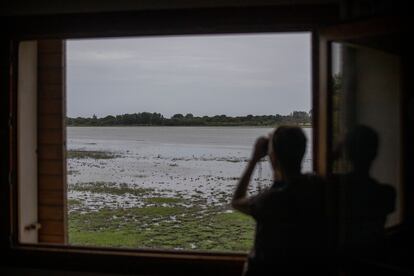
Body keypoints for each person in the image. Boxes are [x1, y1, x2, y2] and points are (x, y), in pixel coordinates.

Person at [232, 126, 328, 275]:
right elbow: (291, 179)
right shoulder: (315, 186)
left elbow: (237, 201)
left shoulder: (270, 200)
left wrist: (254, 159)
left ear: (273, 156)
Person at [332, 125, 396, 260]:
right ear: (375, 153)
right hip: (375, 260)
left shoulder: (336, 188)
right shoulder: (387, 193)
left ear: (346, 153)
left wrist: (336, 152)